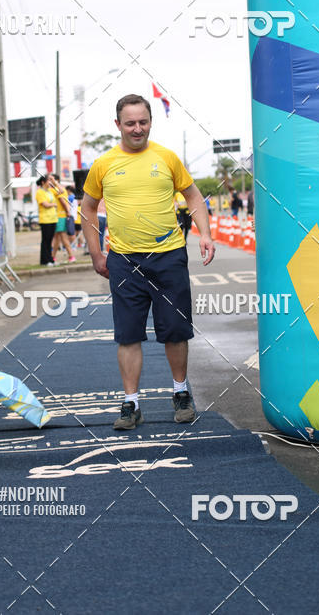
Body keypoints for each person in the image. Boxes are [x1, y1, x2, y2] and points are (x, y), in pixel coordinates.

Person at [81, 94, 215, 430]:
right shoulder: (103, 164)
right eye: (130, 123)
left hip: (168, 256)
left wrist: (206, 234)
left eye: (143, 122)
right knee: (127, 335)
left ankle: (181, 393)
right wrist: (97, 253)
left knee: (175, 329)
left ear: (150, 122)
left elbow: (193, 195)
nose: (137, 128)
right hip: (124, 260)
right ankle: (131, 403)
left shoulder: (167, 158)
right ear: (118, 125)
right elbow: (87, 208)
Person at [50, 174, 76, 263]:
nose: (49, 181)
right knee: (57, 238)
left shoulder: (57, 189)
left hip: (60, 217)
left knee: (63, 237)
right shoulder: (60, 189)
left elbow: (62, 202)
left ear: (56, 180)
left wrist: (67, 212)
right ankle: (53, 257)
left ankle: (71, 256)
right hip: (60, 216)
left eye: (51, 179)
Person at [36, 175, 57, 266]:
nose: (50, 183)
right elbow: (45, 204)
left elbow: (61, 191)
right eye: (48, 181)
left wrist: (54, 182)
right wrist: (53, 204)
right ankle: (44, 260)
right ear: (43, 182)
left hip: (53, 218)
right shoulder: (39, 192)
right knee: (46, 240)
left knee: (50, 240)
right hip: (45, 219)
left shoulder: (50, 191)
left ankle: (50, 259)